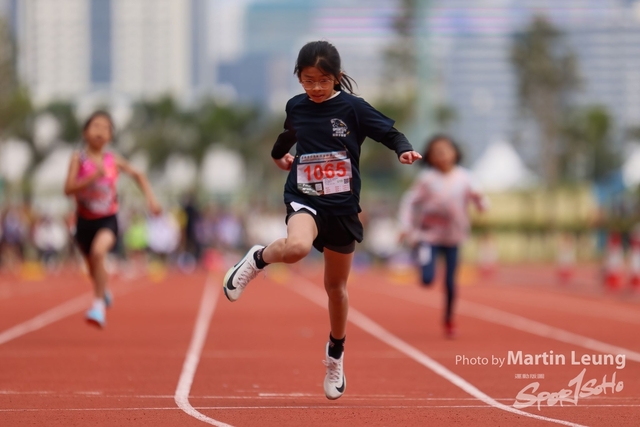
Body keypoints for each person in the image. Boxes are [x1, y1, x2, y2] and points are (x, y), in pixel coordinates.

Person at [222, 40, 422, 400]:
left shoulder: (353, 108)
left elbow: (389, 132)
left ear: (337, 77)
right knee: (297, 247)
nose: (315, 88)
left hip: (342, 208)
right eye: (308, 80)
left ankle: (335, 353)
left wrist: (403, 149)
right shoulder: (296, 106)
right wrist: (279, 156)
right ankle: (257, 258)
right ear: (298, 77)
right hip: (305, 196)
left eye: (323, 80)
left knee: (336, 289)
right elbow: (289, 134)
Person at [64, 111, 161, 328]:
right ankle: (103, 289)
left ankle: (98, 307)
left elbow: (138, 175)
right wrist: (91, 178)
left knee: (99, 253)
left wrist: (151, 200)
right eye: (95, 126)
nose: (100, 131)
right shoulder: (78, 159)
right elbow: (67, 189)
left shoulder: (112, 160)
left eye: (105, 128)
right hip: (84, 221)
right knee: (93, 269)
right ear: (85, 132)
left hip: (107, 220)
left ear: (110, 136)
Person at [398, 134, 488, 339]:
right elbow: (409, 201)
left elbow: (483, 205)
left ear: (455, 153)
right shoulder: (427, 179)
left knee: (450, 282)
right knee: (427, 279)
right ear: (430, 157)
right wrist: (405, 225)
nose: (443, 156)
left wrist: (479, 200)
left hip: (454, 237)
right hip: (429, 236)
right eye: (437, 152)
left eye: (446, 151)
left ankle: (449, 319)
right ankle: (419, 255)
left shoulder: (466, 178)